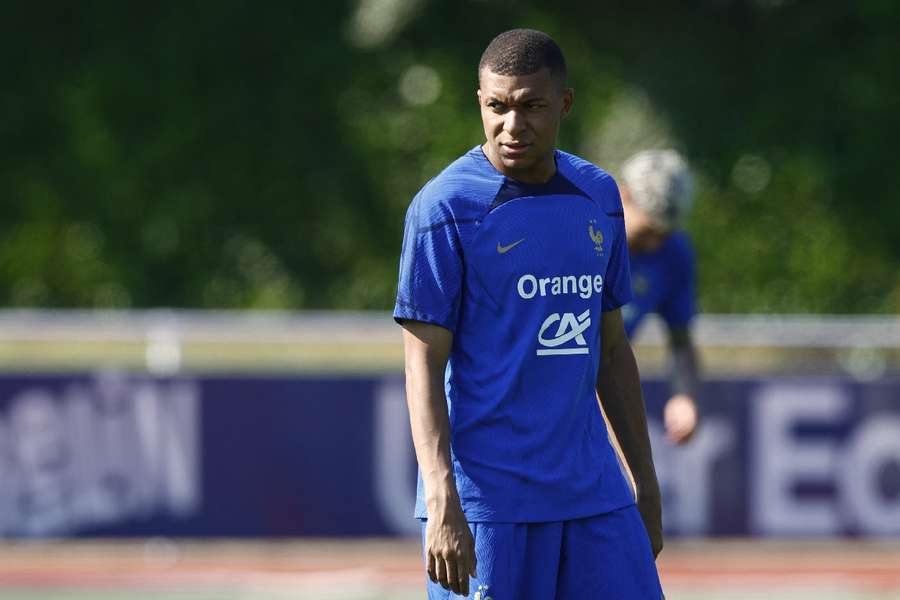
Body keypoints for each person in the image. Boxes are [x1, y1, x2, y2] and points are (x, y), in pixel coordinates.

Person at [393, 29, 663, 599]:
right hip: (490, 504)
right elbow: (422, 364)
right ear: (480, 102)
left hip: (594, 495)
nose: (512, 125)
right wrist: (443, 498)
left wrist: (645, 480)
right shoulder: (444, 209)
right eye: (497, 106)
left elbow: (612, 350)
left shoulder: (599, 196)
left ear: (563, 103)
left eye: (531, 106)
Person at [619, 150, 700, 445]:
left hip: (599, 389)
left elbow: (680, 338)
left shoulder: (674, 253)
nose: (654, 245)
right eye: (647, 233)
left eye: (663, 235)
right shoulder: (579, 236)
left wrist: (683, 395)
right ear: (622, 195)